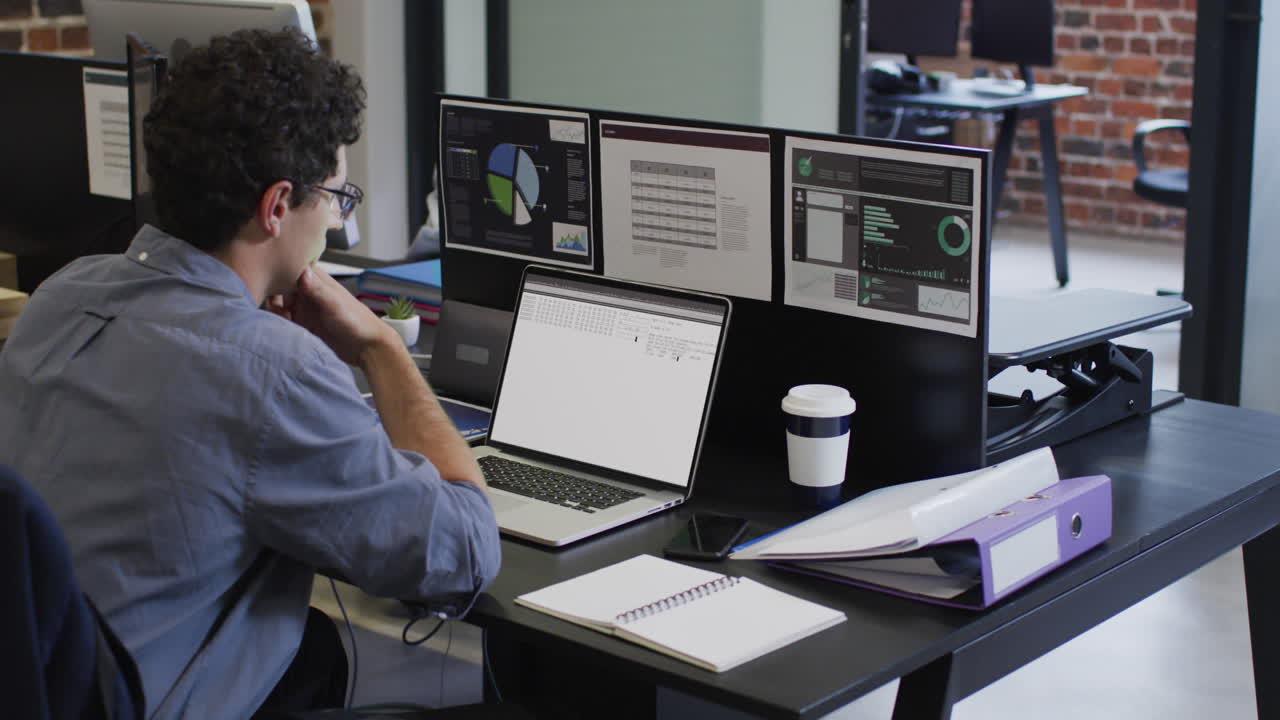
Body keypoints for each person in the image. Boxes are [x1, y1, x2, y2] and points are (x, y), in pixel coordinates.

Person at [0, 28, 500, 719]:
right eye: (335, 197)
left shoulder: (61, 297)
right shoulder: (271, 369)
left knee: (314, 647)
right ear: (275, 207)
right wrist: (381, 348)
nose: (336, 224)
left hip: (60, 678)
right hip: (147, 699)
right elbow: (465, 553)